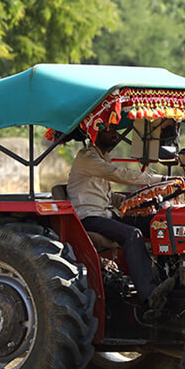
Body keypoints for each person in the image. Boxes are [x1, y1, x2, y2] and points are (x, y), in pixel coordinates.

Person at [68, 127, 168, 304]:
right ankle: (150, 294)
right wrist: (159, 180)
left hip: (106, 214)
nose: (116, 134)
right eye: (109, 130)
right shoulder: (87, 158)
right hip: (89, 218)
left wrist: (130, 200)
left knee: (159, 222)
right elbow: (118, 174)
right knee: (132, 235)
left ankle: (166, 275)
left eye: (115, 130)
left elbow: (104, 194)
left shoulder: (101, 158)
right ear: (95, 133)